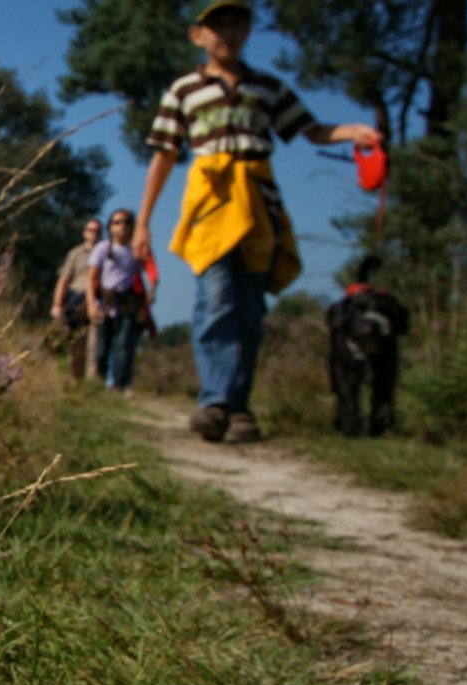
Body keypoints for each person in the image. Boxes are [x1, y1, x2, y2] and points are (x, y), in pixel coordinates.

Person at [131, 0, 380, 443]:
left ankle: (240, 407)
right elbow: (165, 154)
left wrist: (353, 132)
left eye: (237, 23)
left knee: (249, 306)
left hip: (258, 203)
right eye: (217, 24)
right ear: (198, 35)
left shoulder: (267, 87)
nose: (227, 32)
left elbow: (312, 130)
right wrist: (143, 221)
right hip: (210, 203)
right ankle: (214, 401)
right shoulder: (184, 90)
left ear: (248, 31)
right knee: (216, 298)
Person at [325, 255, 409, 437]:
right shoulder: (342, 320)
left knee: (384, 384)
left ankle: (379, 426)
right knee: (344, 386)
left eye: (381, 312)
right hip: (348, 341)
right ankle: (349, 425)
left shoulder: (388, 324)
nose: (370, 324)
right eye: (360, 311)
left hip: (383, 344)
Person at [87, 209, 151, 392]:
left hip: (127, 304)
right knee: (102, 349)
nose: (122, 226)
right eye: (117, 222)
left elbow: (149, 271)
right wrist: (92, 304)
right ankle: (97, 386)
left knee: (123, 346)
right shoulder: (103, 248)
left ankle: (119, 387)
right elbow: (91, 278)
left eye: (126, 222)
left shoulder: (135, 250)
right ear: (110, 227)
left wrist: (150, 292)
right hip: (105, 304)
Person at [50, 217, 104, 381]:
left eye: (96, 230)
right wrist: (57, 304)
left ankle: (93, 381)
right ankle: (75, 379)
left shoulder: (106, 254)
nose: (93, 233)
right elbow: (63, 280)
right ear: (84, 233)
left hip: (97, 300)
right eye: (90, 230)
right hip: (76, 298)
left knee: (95, 344)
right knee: (75, 343)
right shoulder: (75, 253)